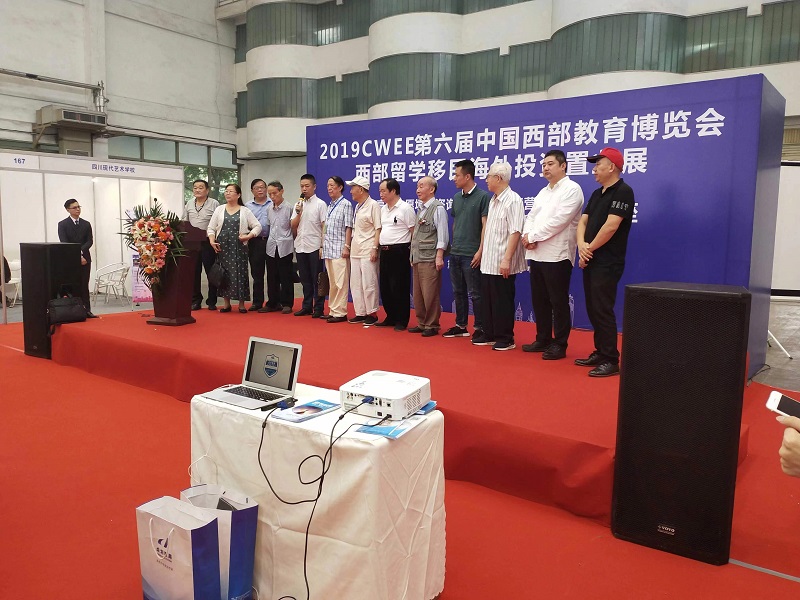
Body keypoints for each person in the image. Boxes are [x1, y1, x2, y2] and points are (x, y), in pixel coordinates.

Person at [575, 147, 635, 377]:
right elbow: (583, 222)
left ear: (611, 167)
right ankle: (600, 351)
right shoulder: (597, 193)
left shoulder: (623, 191)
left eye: (598, 165)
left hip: (608, 261)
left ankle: (611, 359)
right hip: (591, 258)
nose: (594, 170)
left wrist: (588, 249)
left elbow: (611, 226)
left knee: (602, 307)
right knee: (593, 307)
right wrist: (581, 246)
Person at [521, 149, 584, 360]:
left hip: (558, 254)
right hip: (537, 253)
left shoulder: (572, 189)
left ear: (563, 165)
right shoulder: (543, 191)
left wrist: (533, 236)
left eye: (550, 164)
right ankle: (543, 338)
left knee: (558, 301)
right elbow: (531, 216)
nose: (545, 168)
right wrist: (527, 236)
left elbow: (559, 221)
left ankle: (560, 344)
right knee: (540, 300)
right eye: (544, 165)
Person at [473, 162, 526, 351]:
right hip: (489, 259)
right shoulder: (493, 200)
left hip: (502, 259)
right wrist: (481, 251)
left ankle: (506, 337)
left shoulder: (513, 200)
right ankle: (490, 333)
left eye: (488, 176)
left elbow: (516, 231)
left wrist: (507, 259)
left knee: (502, 300)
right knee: (488, 299)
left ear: (498, 178)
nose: (486, 179)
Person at [445, 159, 490, 340]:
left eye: (457, 175)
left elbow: (485, 225)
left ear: (467, 176)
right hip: (456, 251)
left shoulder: (483, 196)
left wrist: (480, 250)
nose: (454, 178)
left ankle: (480, 327)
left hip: (472, 253)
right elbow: (455, 222)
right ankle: (461, 325)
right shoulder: (457, 197)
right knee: (458, 292)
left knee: (475, 293)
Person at [207, 183, 261, 313]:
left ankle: (241, 304)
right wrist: (212, 240)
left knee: (240, 273)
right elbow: (211, 228)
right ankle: (226, 304)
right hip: (223, 247)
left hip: (239, 246)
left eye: (231, 191)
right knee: (224, 273)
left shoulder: (245, 210)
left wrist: (248, 236)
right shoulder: (219, 209)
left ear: (238, 195)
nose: (227, 193)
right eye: (226, 191)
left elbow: (257, 226)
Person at [409, 176, 449, 337]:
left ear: (431, 189)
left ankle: (432, 325)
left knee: (430, 293)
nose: (418, 190)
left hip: (430, 257)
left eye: (421, 186)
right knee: (418, 294)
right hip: (418, 257)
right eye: (417, 186)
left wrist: (439, 256)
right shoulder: (421, 209)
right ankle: (422, 322)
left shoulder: (437, 208)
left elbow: (443, 234)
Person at [376, 178, 416, 331]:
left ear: (393, 191)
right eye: (380, 191)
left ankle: (401, 319)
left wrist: (412, 253)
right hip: (385, 251)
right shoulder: (383, 209)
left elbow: (413, 232)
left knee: (399, 286)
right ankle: (390, 316)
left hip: (400, 251)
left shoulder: (405, 208)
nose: (381, 194)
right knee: (385, 287)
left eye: (383, 191)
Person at [346, 175, 382, 326]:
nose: (351, 191)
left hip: (368, 249)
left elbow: (378, 228)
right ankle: (360, 312)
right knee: (355, 283)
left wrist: (375, 248)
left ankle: (372, 313)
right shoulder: (357, 206)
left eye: (353, 188)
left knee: (369, 283)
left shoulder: (373, 205)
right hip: (356, 250)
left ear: (361, 189)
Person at [291, 174, 327, 317]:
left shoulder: (320, 204)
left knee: (317, 279)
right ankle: (306, 306)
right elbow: (293, 225)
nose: (304, 189)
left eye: (307, 186)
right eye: (302, 186)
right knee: (305, 279)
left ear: (314, 186)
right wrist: (298, 213)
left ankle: (318, 308)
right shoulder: (298, 204)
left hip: (315, 246)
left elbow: (324, 226)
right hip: (301, 246)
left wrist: (322, 246)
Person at [182, 179, 219, 311]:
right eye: (195, 188)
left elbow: (218, 222)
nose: (197, 190)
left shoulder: (214, 203)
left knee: (210, 271)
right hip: (192, 243)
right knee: (194, 272)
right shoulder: (189, 203)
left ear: (207, 190)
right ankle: (195, 300)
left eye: (201, 187)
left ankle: (212, 301)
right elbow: (184, 221)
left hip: (208, 242)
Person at [259, 181, 295, 314]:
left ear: (281, 191)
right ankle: (273, 303)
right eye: (270, 194)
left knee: (286, 275)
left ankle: (287, 303)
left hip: (285, 245)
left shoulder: (289, 208)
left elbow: (293, 227)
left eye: (274, 193)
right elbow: (269, 226)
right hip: (271, 245)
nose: (272, 196)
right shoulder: (269, 209)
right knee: (271, 276)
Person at [57, 199, 97, 317]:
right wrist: (77, 254)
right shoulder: (63, 224)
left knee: (84, 285)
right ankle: (74, 311)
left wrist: (81, 251)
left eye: (79, 207)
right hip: (70, 259)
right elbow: (64, 242)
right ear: (68, 210)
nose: (78, 209)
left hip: (85, 259)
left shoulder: (86, 224)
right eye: (74, 207)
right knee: (73, 285)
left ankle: (87, 310)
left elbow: (89, 241)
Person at [321, 176, 353, 323]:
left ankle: (340, 312)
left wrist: (347, 246)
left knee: (341, 283)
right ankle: (333, 310)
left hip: (340, 249)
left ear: (340, 187)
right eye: (328, 185)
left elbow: (348, 227)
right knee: (333, 283)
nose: (329, 188)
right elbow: (325, 228)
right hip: (329, 249)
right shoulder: (330, 205)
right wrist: (322, 246)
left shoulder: (346, 204)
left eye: (332, 185)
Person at [246, 178, 272, 311]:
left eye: (262, 187)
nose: (260, 190)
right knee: (257, 274)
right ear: (252, 191)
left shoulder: (273, 203)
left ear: (266, 189)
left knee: (273, 273)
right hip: (255, 242)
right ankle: (257, 302)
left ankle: (274, 301)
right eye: (257, 188)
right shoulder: (247, 206)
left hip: (271, 240)